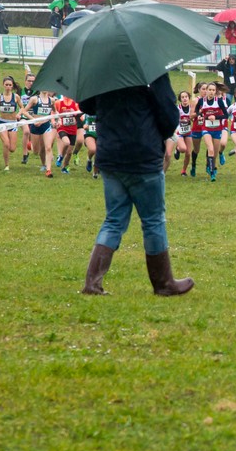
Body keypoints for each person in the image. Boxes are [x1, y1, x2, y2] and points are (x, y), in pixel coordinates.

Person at [80, 71, 191, 297]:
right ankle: (163, 283)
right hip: (143, 156)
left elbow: (86, 105)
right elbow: (170, 118)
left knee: (113, 220)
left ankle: (92, 283)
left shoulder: (104, 70)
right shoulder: (152, 71)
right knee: (153, 220)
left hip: (111, 155)